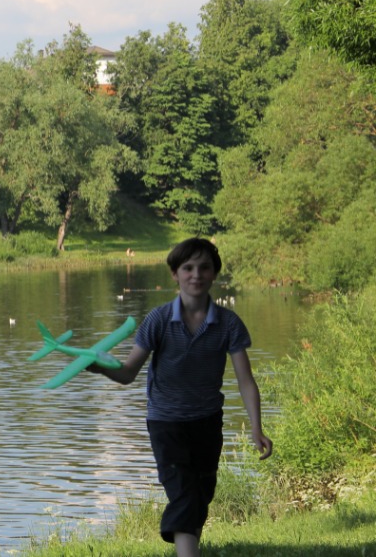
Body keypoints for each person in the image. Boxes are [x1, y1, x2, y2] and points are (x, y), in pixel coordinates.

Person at [88, 238, 272, 557]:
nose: (196, 275)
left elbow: (245, 380)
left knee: (201, 492)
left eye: (204, 268)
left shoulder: (229, 324)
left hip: (207, 421)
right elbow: (129, 371)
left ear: (215, 274)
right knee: (185, 494)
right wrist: (101, 368)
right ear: (175, 274)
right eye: (187, 268)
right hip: (166, 423)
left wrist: (256, 428)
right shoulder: (158, 320)